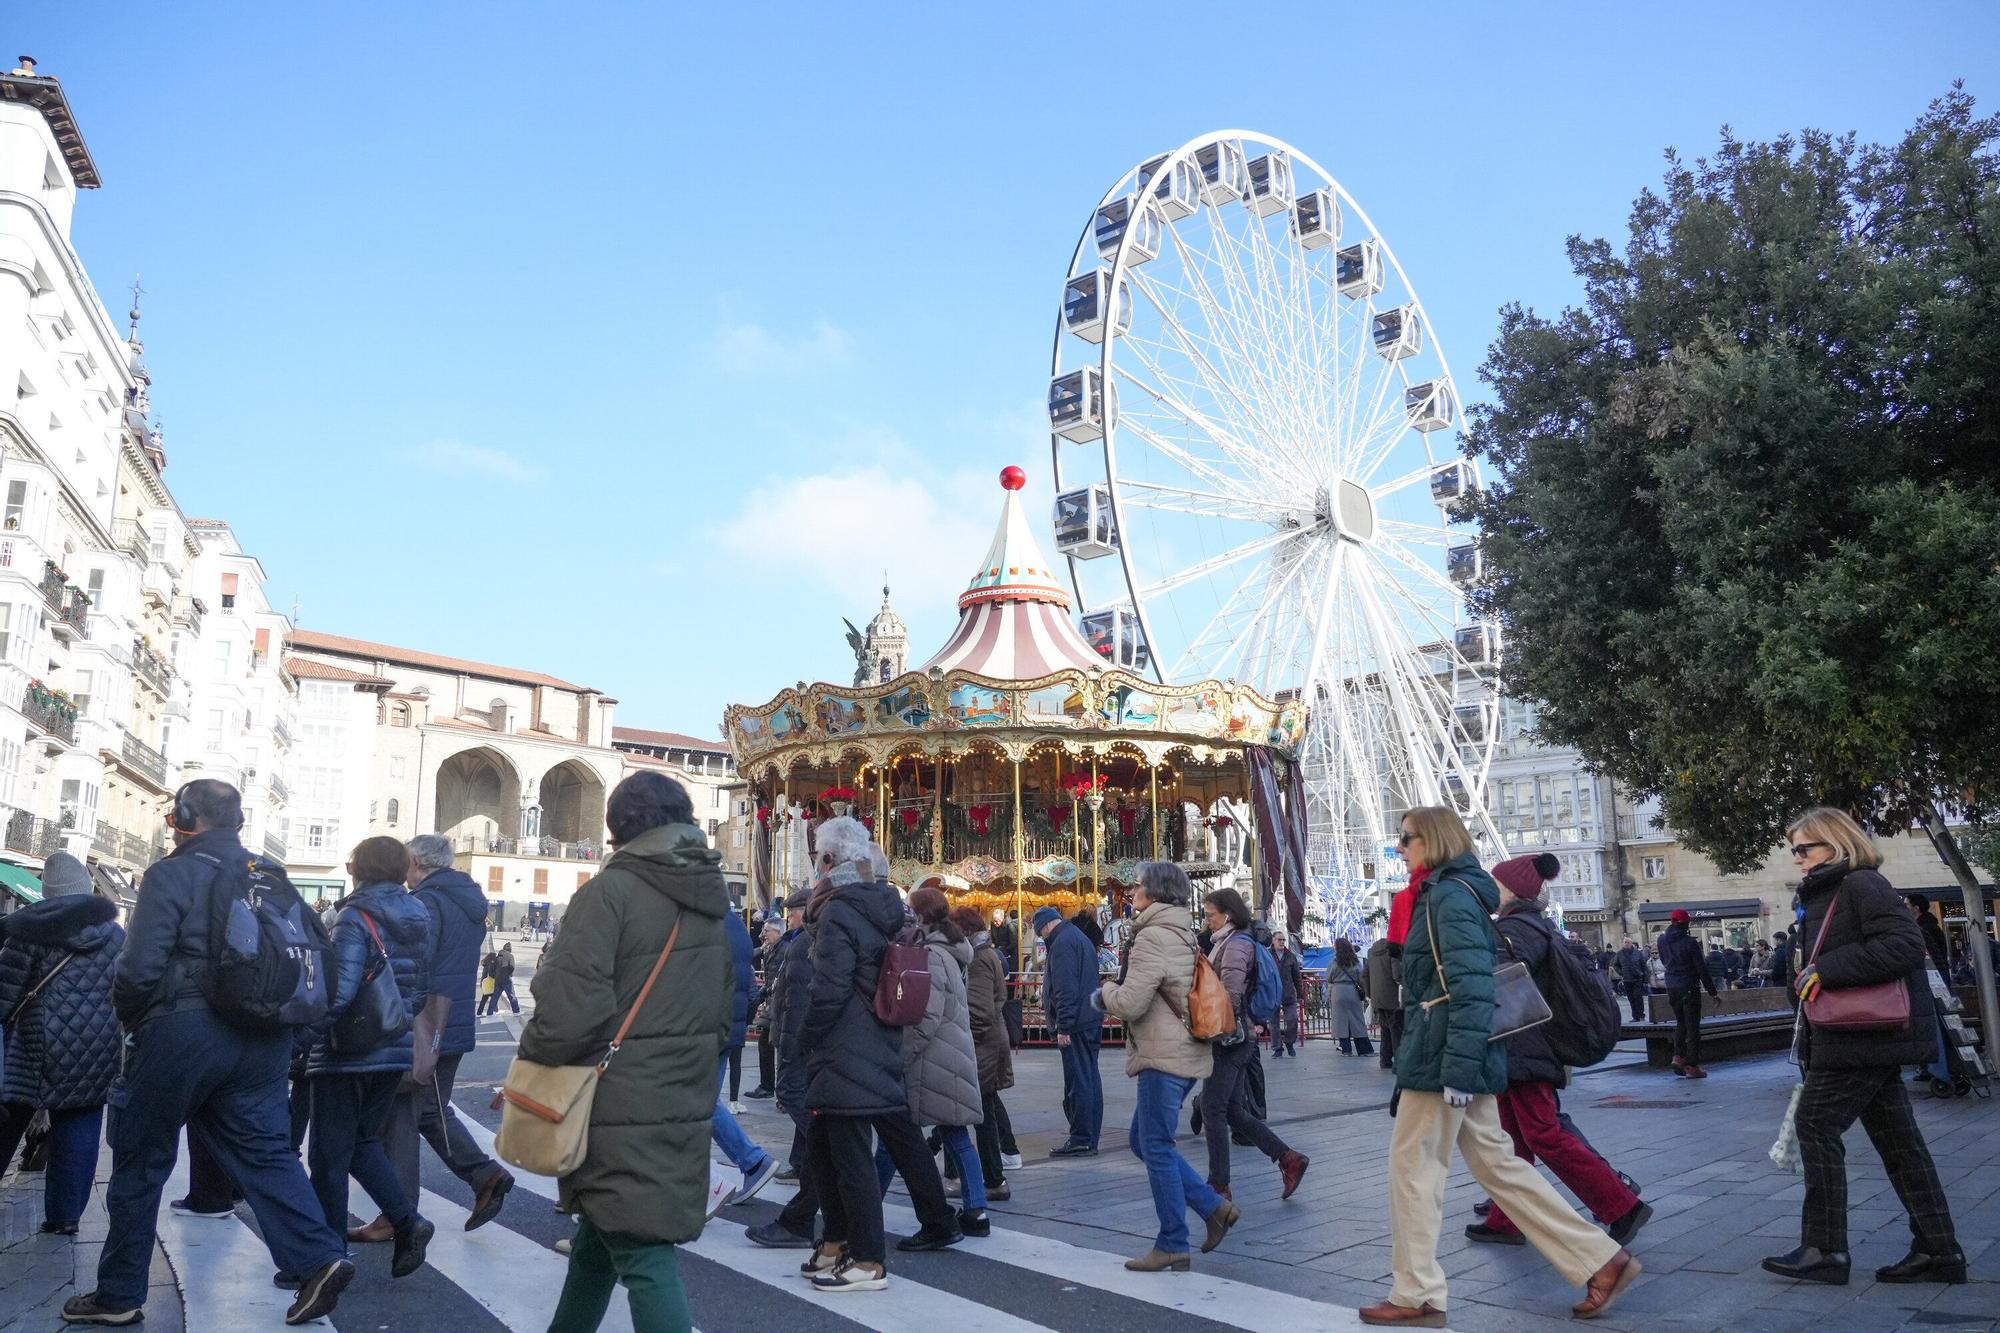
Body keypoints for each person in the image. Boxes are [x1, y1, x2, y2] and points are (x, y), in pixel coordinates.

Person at [67, 780, 352, 1327]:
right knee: (265, 1152)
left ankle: (118, 1293)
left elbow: (138, 969)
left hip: (182, 1032)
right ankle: (318, 1257)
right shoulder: (269, 874)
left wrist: (133, 1021)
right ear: (238, 823)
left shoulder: (171, 873)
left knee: (142, 1158)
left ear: (183, 818)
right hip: (263, 1036)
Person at [1359, 806, 1637, 1328]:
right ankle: (1601, 1259)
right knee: (1500, 1167)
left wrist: (1459, 1069)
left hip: (1444, 1055)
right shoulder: (1451, 893)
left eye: (1406, 838)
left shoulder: (1446, 897)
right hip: (1459, 1051)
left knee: (1413, 1171)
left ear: (1433, 841)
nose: (1399, 847)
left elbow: (1471, 986)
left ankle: (1416, 1291)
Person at [528, 771, 732, 1331]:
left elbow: (570, 1005)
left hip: (616, 1094)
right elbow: (723, 1006)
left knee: (641, 1249)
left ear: (618, 827)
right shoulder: (709, 899)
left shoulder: (610, 892)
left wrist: (535, 1059)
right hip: (683, 1087)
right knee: (604, 1228)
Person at [1761, 809, 1965, 1288]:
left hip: (1861, 1037)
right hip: (1859, 1037)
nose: (1797, 858)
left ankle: (1825, 1248)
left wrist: (1826, 970)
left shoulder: (1861, 884)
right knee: (1901, 1145)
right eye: (1794, 849)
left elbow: (1903, 945)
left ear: (1836, 843)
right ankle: (1940, 1250)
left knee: (1815, 1124)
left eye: (1804, 848)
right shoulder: (1826, 891)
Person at [798, 818, 961, 1292]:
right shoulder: (882, 905)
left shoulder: (839, 910)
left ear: (829, 860)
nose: (816, 866)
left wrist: (806, 1036)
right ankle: (837, 1241)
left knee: (848, 1155)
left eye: (817, 857)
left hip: (845, 1043)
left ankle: (868, 1258)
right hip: (876, 1039)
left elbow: (830, 988)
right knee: (829, 1146)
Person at [1465, 855, 1650, 1250]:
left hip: (1522, 1048)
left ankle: (1621, 1206)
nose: (1490, 889)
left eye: (1496, 884)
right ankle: (1508, 1218)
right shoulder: (1530, 925)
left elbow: (1498, 979)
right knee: (1513, 1139)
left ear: (1513, 891)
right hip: (1520, 1046)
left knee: (1542, 1133)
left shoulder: (1517, 928)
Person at [304, 837, 437, 1283]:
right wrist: (394, 1027)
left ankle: (326, 1257)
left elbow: (338, 993)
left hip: (345, 1054)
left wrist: (303, 1040)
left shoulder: (353, 917)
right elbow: (420, 990)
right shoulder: (420, 916)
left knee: (328, 1157)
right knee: (362, 1143)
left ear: (360, 869)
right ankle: (407, 1221)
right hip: (393, 1050)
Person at [1098, 861, 1235, 1272]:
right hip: (1184, 1051)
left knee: (1155, 1146)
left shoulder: (1152, 936)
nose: (1132, 892)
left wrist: (1104, 992)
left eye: (1138, 885)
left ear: (1155, 893)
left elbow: (1130, 1002)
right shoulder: (1181, 932)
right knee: (1143, 1141)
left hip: (1163, 1054)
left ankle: (1173, 1241)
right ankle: (1212, 1207)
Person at [385, 836, 515, 1230]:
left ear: (416, 863)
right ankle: (483, 1175)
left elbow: (417, 964)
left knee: (404, 1112)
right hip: (452, 1018)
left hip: (426, 1021)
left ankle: (400, 1215)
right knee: (427, 1109)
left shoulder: (427, 901)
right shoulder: (467, 900)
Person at [0, 852, 123, 1235]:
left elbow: (5, 995)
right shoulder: (115, 936)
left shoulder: (29, 931)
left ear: (47, 891)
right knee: (80, 1124)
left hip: (35, 1046)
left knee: (8, 1118)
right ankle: (65, 1216)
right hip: (97, 1047)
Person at [876, 889, 988, 1237]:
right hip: (948, 1053)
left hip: (934, 1057)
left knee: (897, 1134)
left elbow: (927, 1015)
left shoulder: (934, 954)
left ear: (922, 915)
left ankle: (869, 1202)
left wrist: (903, 1055)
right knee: (952, 1133)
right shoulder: (947, 949)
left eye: (911, 910)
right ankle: (976, 1210)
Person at [1197, 889, 1308, 1202]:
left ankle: (1218, 1185)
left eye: (1210, 914)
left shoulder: (1235, 945)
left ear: (1227, 915)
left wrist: (1213, 1024)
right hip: (1238, 1034)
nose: (1206, 920)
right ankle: (1288, 1158)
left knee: (1212, 1107)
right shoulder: (1229, 941)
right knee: (1232, 1109)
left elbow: (1231, 993)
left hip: (1230, 1037)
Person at [745, 895, 820, 1250]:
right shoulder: (806, 940)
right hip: (814, 1042)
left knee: (794, 1096)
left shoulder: (805, 942)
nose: (789, 918)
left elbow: (798, 1000)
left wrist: (791, 1044)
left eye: (793, 912)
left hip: (803, 1041)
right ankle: (803, 1164)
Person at [712, 906, 780, 1205]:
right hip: (729, 1025)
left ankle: (748, 1162)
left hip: (707, 1027)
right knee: (701, 1103)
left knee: (693, 1104)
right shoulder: (736, 926)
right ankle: (747, 1164)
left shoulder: (704, 922)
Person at [953, 905, 1014, 1202]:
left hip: (982, 1046)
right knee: (982, 1112)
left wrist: (963, 1038)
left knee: (977, 1114)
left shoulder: (977, 959)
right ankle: (991, 1177)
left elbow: (978, 1011)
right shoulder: (986, 954)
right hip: (989, 1043)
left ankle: (990, 1178)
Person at [1035, 905, 1103, 1157]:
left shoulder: (1062, 943)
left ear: (1046, 926)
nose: (1043, 938)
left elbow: (1065, 989)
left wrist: (1063, 1025)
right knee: (1090, 1078)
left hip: (1076, 1024)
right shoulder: (1078, 937)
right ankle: (1089, 1137)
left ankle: (1081, 1138)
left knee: (1079, 1081)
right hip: (1090, 1017)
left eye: (1041, 933)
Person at [1658, 909, 1717, 1077]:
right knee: (1692, 1027)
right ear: (1686, 923)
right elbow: (1701, 968)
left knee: (1681, 1022)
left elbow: (1663, 960)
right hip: (1689, 986)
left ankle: (1678, 1056)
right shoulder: (1690, 943)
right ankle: (1692, 1065)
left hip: (1671, 985)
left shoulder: (1662, 940)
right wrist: (1712, 992)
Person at [745, 920, 782, 1099]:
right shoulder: (772, 950)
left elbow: (775, 981)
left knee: (775, 1045)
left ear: (777, 932)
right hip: (772, 1003)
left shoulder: (782, 951)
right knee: (765, 1042)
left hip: (778, 1005)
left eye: (766, 931)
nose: (763, 935)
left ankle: (771, 1086)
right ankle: (769, 1085)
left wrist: (762, 994)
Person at [1327, 937, 1373, 1056]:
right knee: (1357, 1021)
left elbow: (1329, 977)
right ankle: (1364, 1049)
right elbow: (1361, 977)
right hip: (1352, 992)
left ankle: (1346, 1049)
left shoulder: (1334, 962)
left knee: (1341, 1022)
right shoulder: (1355, 962)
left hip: (1338, 992)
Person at [1365, 929, 1403, 1069]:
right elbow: (1397, 974)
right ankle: (1400, 1061)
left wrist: (1370, 994)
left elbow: (1365, 974)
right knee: (1397, 1030)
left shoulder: (1371, 952)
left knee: (1385, 1030)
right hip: (1393, 996)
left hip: (1378, 998)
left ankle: (1385, 1060)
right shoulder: (1393, 950)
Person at [1270, 931, 1304, 1058]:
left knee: (1292, 1019)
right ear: (1273, 941)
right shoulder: (1267, 955)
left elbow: (1297, 977)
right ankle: (1277, 1048)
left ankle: (1289, 1042)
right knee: (1274, 1024)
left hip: (1288, 993)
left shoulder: (1290, 956)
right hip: (1272, 993)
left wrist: (1300, 994)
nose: (1282, 942)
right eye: (1279, 940)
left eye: (1283, 940)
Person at [1904, 893, 1952, 978]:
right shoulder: (1925, 926)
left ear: (1916, 908)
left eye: (1906, 905)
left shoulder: (1926, 929)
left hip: (1933, 975)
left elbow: (1931, 956)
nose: (1903, 908)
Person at [1614, 937, 1650, 1023]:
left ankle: (1641, 1015)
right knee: (1631, 999)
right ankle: (1635, 1016)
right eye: (1625, 942)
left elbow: (1643, 966)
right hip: (1627, 980)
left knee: (1638, 997)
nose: (1626, 944)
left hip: (1638, 979)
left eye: (1628, 942)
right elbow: (1615, 965)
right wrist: (1622, 972)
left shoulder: (1638, 953)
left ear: (1631, 943)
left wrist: (1645, 979)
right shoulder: (1619, 953)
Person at [488, 943, 520, 1014]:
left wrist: (494, 976)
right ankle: (516, 1011)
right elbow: (512, 967)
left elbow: (491, 969)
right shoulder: (510, 956)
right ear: (510, 949)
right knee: (511, 995)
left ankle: (490, 1012)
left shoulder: (497, 957)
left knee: (495, 997)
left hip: (498, 979)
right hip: (506, 979)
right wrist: (508, 974)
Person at [989, 908, 1019, 976]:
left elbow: (1014, 942)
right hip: (999, 950)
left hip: (1010, 952)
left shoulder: (1010, 926)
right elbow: (992, 938)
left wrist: (1003, 949)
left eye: (996, 921)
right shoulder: (993, 925)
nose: (995, 923)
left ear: (1002, 919)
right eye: (993, 921)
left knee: (1010, 973)